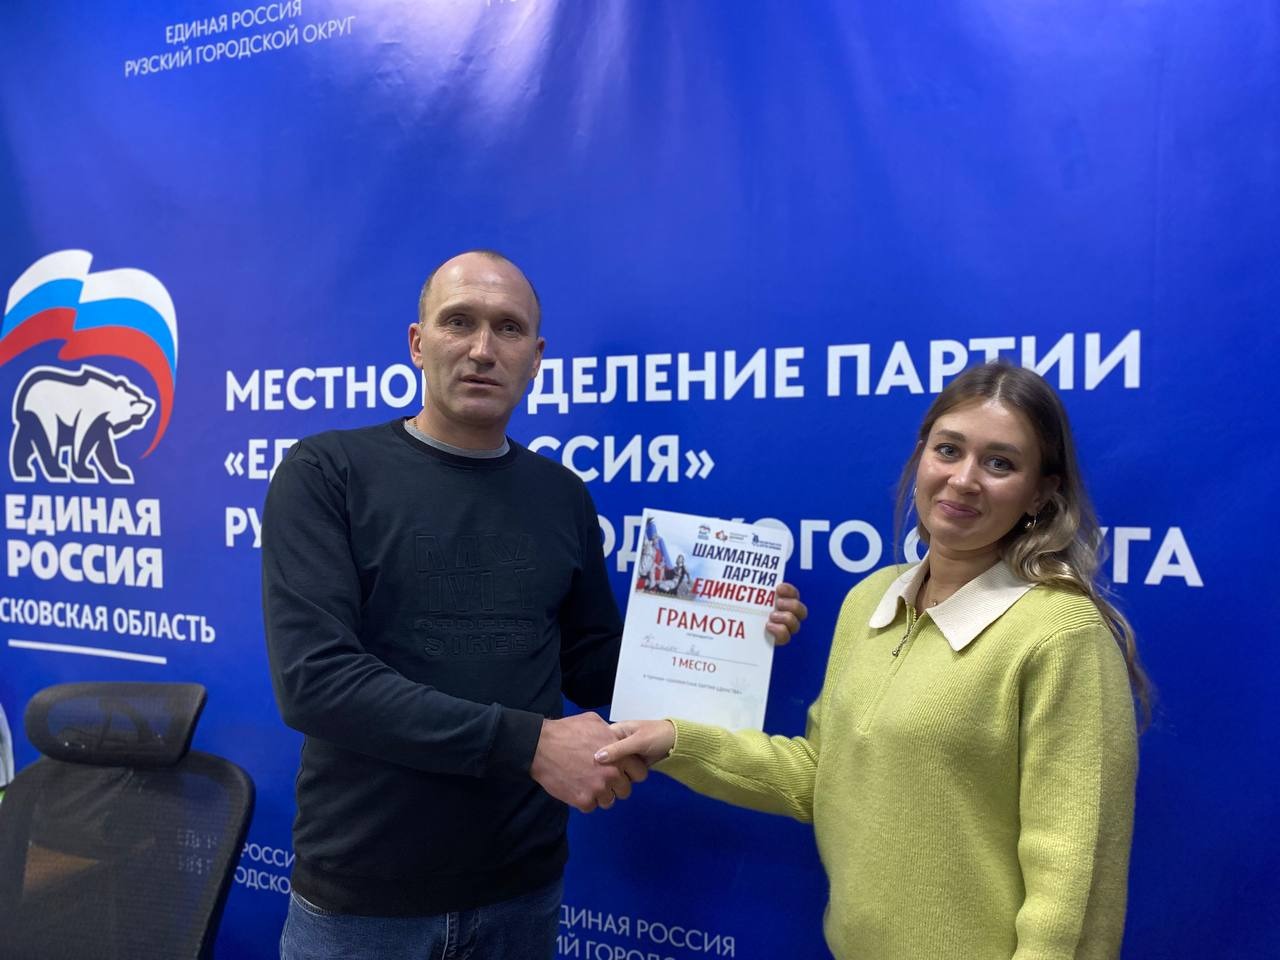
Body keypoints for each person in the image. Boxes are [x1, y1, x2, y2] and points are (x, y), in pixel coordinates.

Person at [261, 250, 806, 960]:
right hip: (366, 895)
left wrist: (726, 632)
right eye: (459, 322)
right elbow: (316, 681)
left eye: (509, 328)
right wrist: (531, 744)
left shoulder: (561, 495)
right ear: (418, 343)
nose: (483, 349)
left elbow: (591, 663)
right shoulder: (327, 472)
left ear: (536, 357)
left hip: (522, 886)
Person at [598, 361, 1150, 960]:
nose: (964, 479)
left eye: (1000, 463)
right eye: (948, 450)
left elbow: (1074, 874)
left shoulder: (1060, 633)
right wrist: (676, 740)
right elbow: (821, 776)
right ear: (921, 457)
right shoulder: (870, 599)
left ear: (1040, 492)